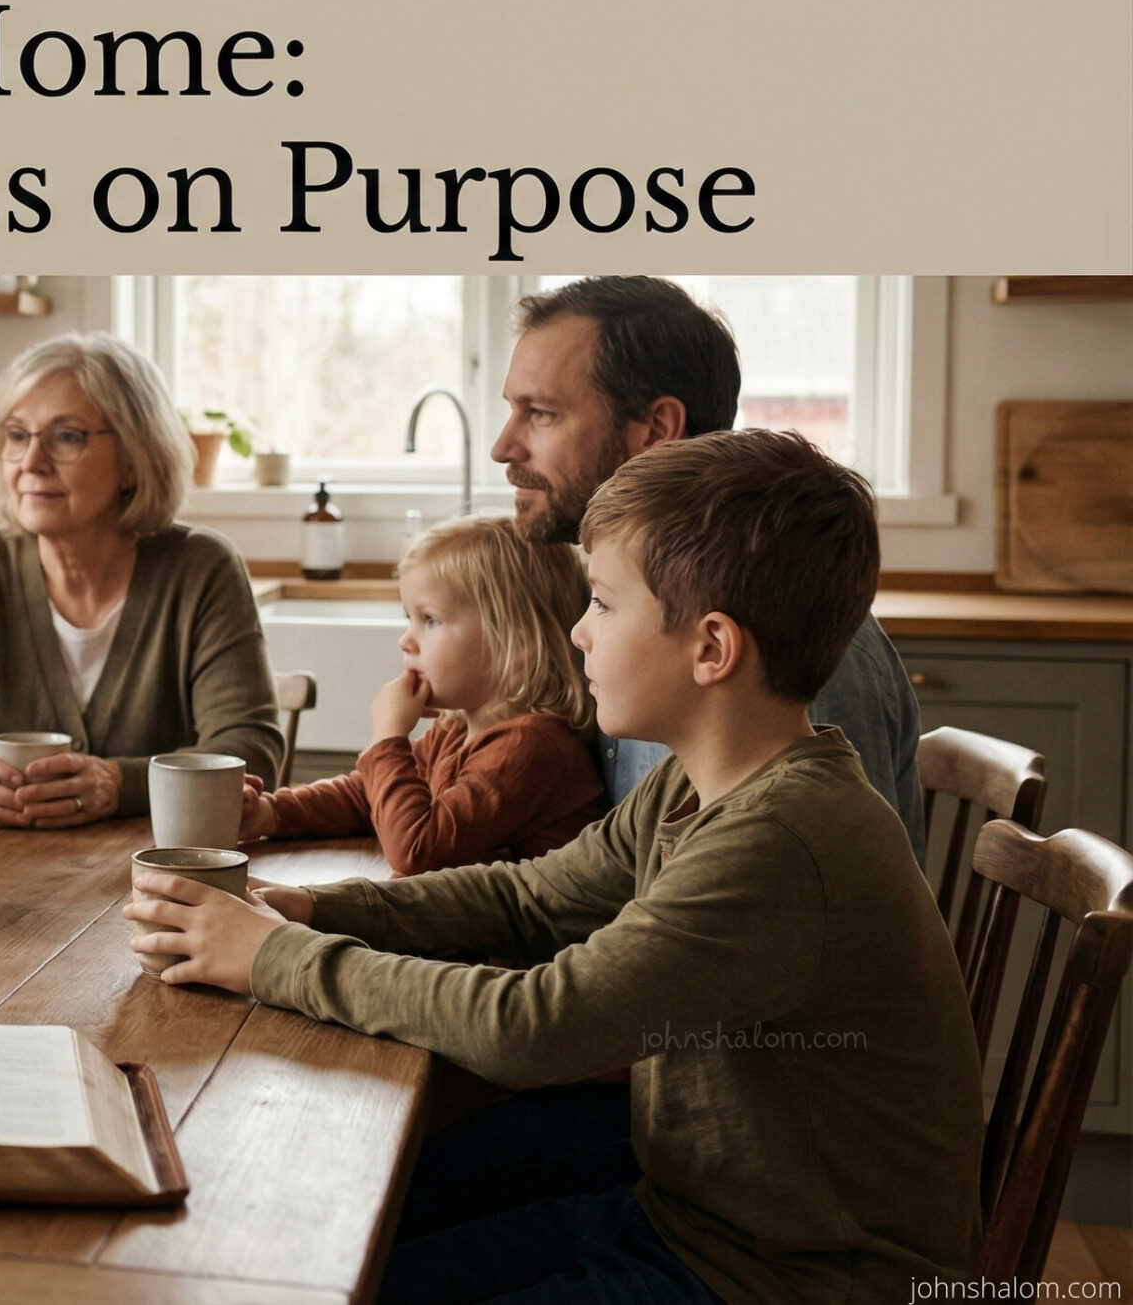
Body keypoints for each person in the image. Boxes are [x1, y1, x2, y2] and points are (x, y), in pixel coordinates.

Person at [129, 431, 981, 1303]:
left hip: (784, 1280)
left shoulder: (779, 838)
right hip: (685, 1215)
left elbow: (535, 1024)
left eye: (603, 603)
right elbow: (531, 898)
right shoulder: (700, 781)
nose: (577, 630)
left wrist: (273, 957)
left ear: (712, 649)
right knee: (360, 1252)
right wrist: (312, 910)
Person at [488, 276, 926, 858]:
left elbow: (823, 893)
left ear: (657, 429)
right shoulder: (640, 606)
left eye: (541, 413)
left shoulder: (779, 648)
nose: (503, 447)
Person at [0, 332, 281, 828]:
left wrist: (121, 784)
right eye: (17, 436)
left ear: (133, 459)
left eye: (66, 437)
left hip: (158, 865)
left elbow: (250, 750)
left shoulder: (202, 569)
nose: (31, 462)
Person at [242, 514, 603, 876]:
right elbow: (368, 797)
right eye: (409, 619)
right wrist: (271, 813)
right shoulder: (456, 730)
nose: (405, 641)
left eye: (430, 620)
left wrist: (388, 738)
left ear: (517, 643)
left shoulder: (530, 748)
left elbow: (416, 850)